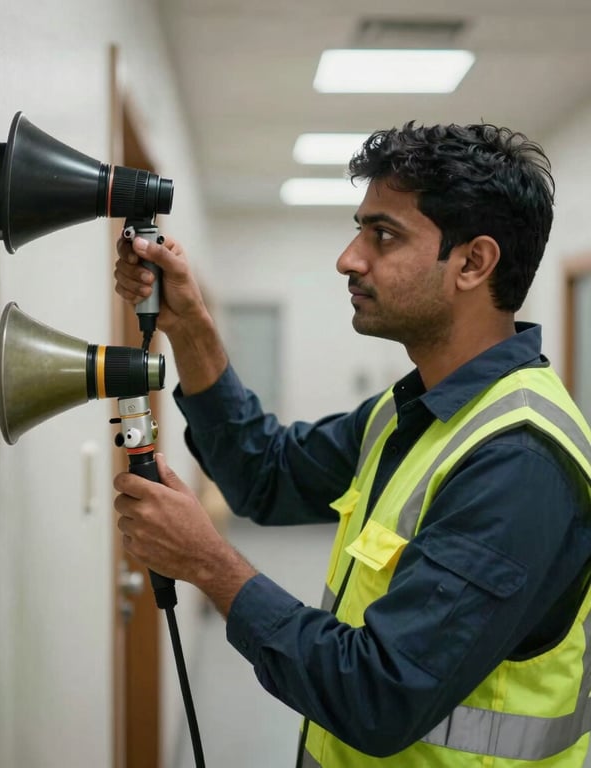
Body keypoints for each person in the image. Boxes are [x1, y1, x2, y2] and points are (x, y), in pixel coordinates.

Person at [112, 122, 591, 767]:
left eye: (383, 235)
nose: (349, 258)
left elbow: (380, 694)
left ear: (473, 263)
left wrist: (207, 564)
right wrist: (191, 328)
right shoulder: (415, 411)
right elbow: (265, 473)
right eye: (359, 229)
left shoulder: (518, 461)